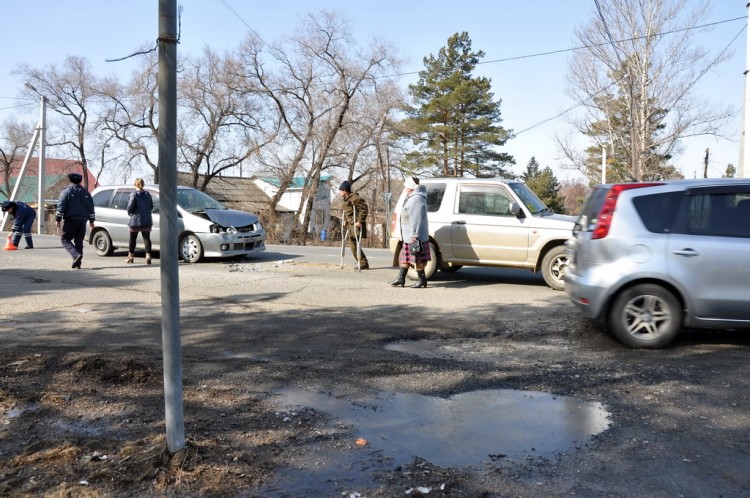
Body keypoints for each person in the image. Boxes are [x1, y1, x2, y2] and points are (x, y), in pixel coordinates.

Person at [389, 176, 431, 288]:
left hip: (414, 236)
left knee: (417, 258)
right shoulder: (412, 197)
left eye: (406, 187)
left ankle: (422, 280)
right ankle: (401, 278)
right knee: (406, 257)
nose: (405, 189)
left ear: (411, 187)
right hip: (408, 235)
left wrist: (414, 235)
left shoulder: (417, 199)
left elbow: (416, 219)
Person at [56, 172, 95, 269]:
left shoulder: (66, 192)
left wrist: (58, 219)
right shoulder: (86, 193)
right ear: (80, 181)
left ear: (70, 180)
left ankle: (75, 255)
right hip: (83, 221)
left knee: (65, 239)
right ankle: (78, 263)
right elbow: (91, 208)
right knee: (79, 241)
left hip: (71, 219)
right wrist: (91, 221)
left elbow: (61, 206)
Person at [339, 180, 370, 270]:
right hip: (350, 224)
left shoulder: (355, 198)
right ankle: (363, 262)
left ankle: (363, 263)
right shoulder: (344, 199)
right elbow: (347, 212)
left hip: (356, 224)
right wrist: (345, 220)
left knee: (355, 243)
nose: (339, 192)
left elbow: (364, 209)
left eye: (340, 191)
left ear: (345, 191)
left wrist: (360, 221)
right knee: (353, 245)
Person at [126, 178, 154, 264]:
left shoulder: (133, 194)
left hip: (135, 220)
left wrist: (130, 213)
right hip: (146, 219)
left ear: (135, 185)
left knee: (132, 239)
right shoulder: (148, 194)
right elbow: (151, 206)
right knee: (146, 238)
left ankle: (131, 257)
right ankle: (148, 256)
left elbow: (130, 207)